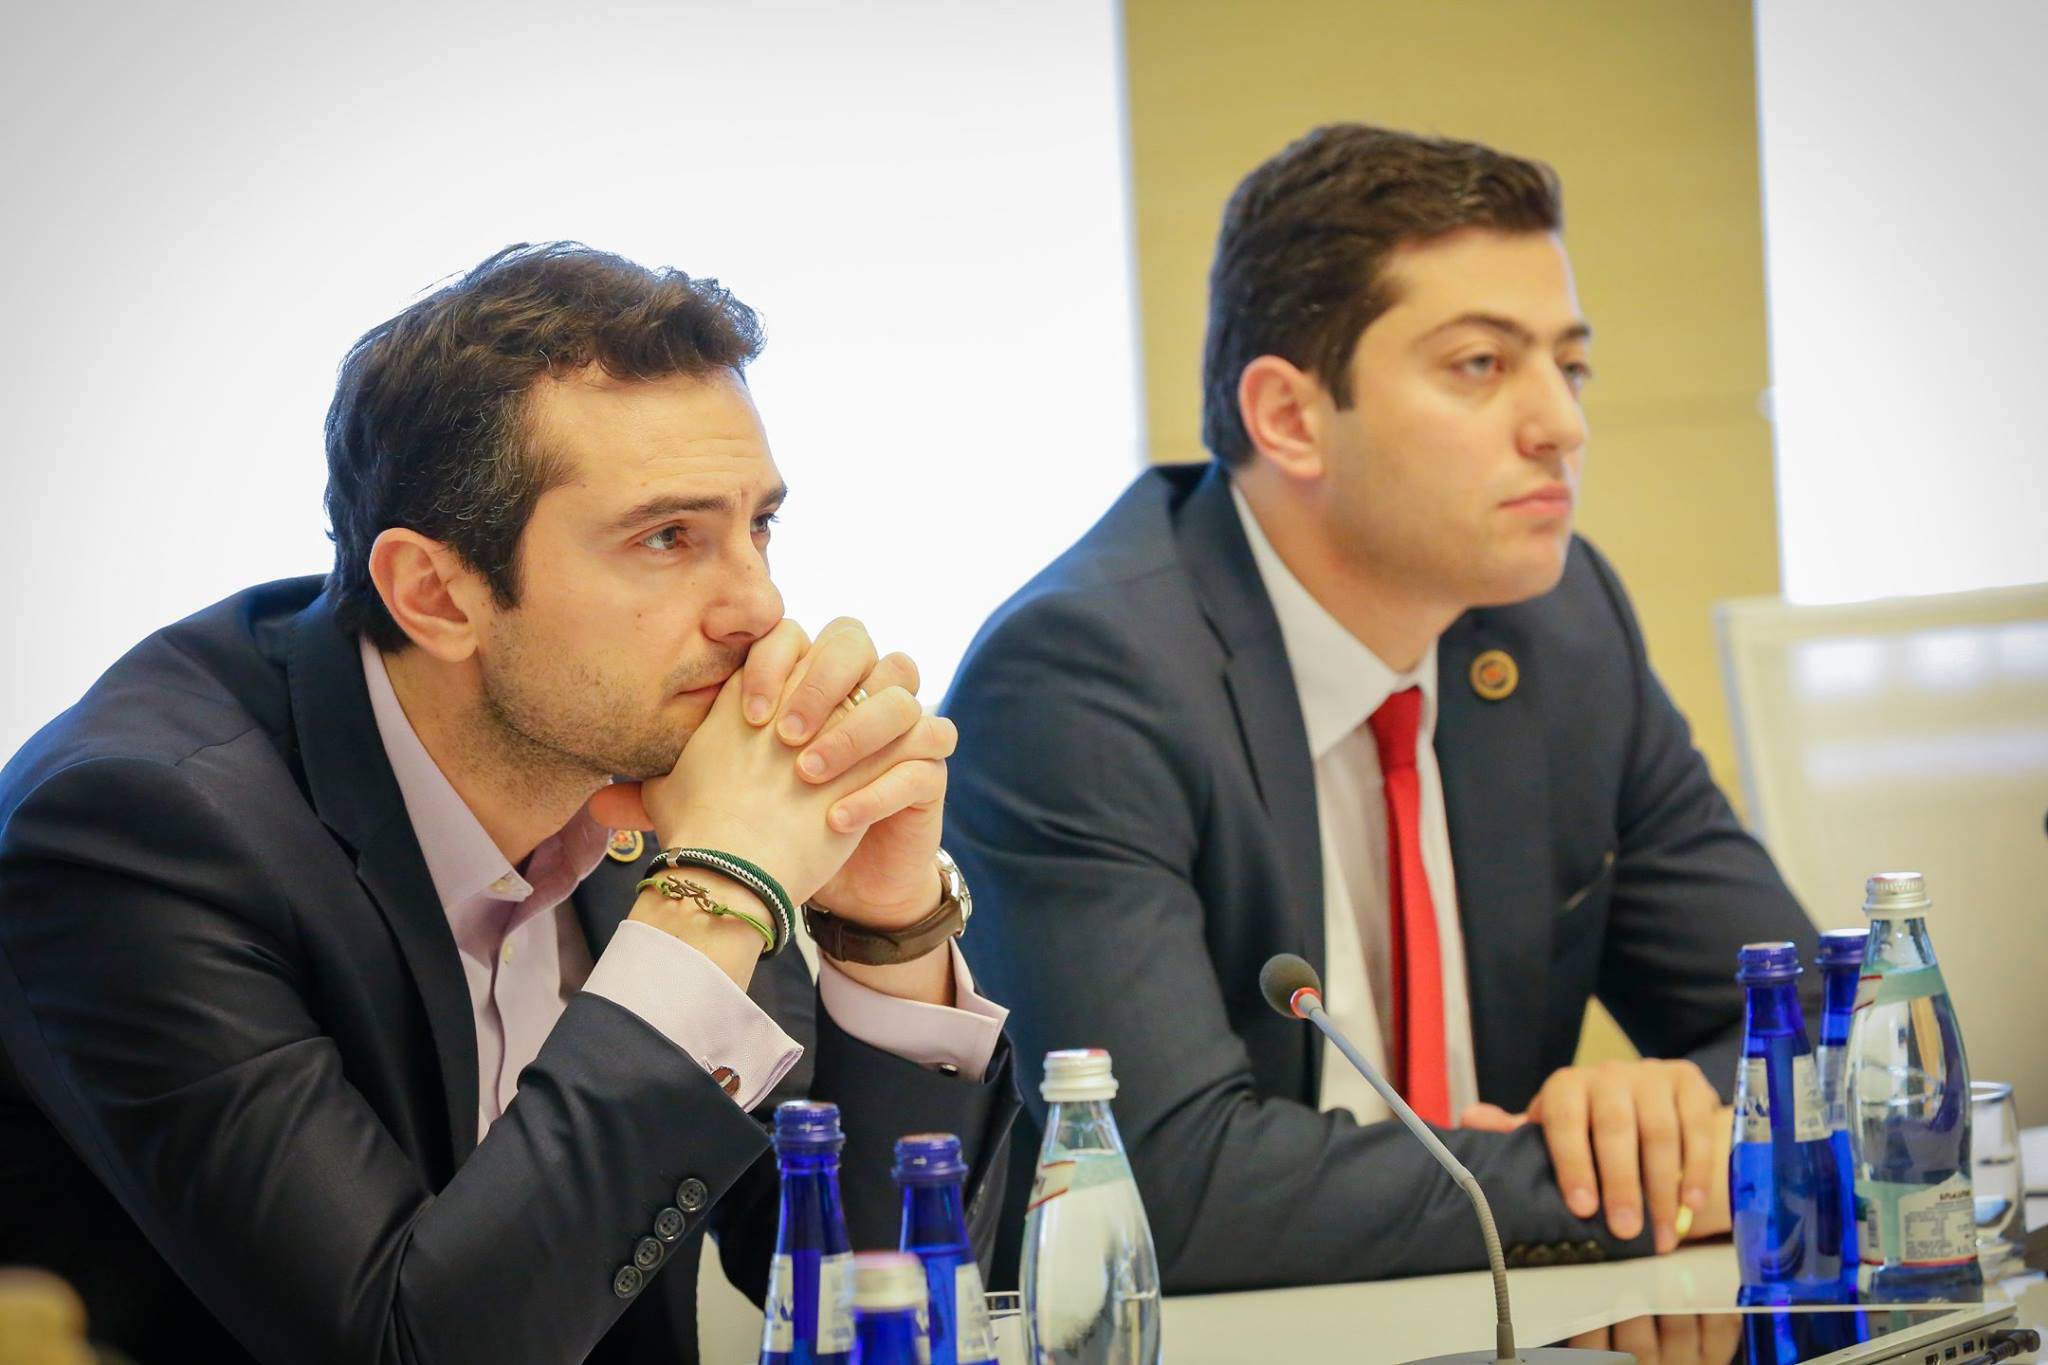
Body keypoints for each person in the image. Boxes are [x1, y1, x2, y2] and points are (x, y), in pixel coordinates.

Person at [0, 243, 1016, 1364]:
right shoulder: (136, 837)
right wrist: (716, 892)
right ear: (436, 594)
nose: (758, 607)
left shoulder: (646, 758)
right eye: (666, 537)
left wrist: (884, 929)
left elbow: (874, 1302)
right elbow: (405, 1347)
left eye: (757, 525)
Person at [943, 124, 1819, 1291]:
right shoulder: (1081, 680)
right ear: (1289, 417)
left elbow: (1821, 1031)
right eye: (1480, 365)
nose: (1560, 424)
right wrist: (1620, 1183)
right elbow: (1161, 1186)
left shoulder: (1560, 632)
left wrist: (1659, 1123)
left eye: (1568, 367)